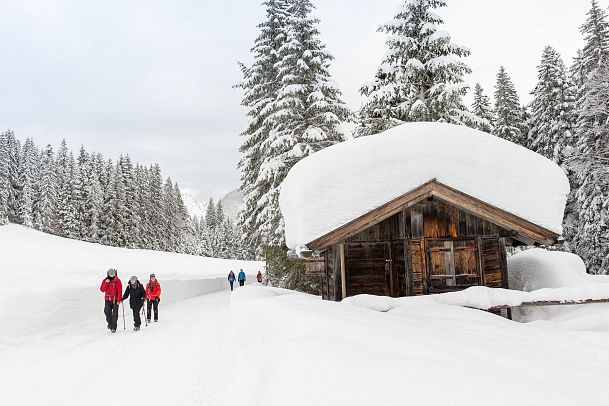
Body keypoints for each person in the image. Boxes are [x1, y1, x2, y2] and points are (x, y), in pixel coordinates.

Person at [100, 268, 122, 333]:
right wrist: (107, 282)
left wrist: (118, 300)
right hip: (107, 299)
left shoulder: (117, 280)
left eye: (113, 274)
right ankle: (110, 324)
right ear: (108, 274)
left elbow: (120, 290)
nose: (112, 275)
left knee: (115, 314)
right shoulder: (105, 280)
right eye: (110, 274)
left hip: (115, 299)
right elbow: (102, 289)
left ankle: (114, 327)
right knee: (107, 312)